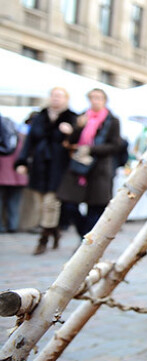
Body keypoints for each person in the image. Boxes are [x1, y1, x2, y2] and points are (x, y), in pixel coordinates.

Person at [14, 87, 77, 254]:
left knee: (51, 204)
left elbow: (79, 143)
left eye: (59, 96)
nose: (56, 99)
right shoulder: (40, 117)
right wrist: (22, 161)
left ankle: (43, 239)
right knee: (40, 204)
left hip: (59, 167)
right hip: (39, 165)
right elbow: (29, 142)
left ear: (66, 99)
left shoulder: (71, 118)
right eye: (54, 96)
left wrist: (71, 133)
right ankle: (54, 232)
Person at [57, 88, 122, 239]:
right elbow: (71, 142)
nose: (95, 101)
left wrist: (91, 149)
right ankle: (84, 233)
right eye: (92, 98)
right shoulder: (82, 117)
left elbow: (115, 145)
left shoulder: (112, 120)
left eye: (98, 98)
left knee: (95, 207)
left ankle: (86, 242)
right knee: (68, 204)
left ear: (104, 101)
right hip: (78, 167)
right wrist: (78, 127)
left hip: (99, 169)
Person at [0, 119, 28, 233]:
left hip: (4, 176)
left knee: (3, 202)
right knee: (14, 203)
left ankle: (4, 226)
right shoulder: (21, 138)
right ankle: (12, 225)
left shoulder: (3, 140)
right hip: (18, 177)